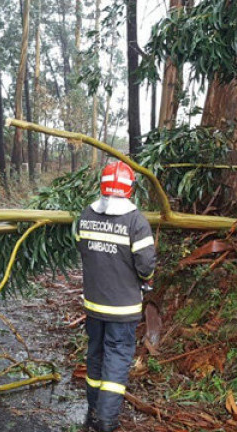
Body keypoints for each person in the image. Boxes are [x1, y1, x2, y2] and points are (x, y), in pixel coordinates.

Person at [75, 160, 157, 432]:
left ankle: (92, 412)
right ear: (130, 189)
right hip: (123, 310)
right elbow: (146, 266)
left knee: (95, 355)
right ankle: (106, 421)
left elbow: (83, 250)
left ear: (102, 186)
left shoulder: (86, 215)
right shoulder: (136, 222)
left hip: (94, 305)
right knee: (117, 359)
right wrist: (146, 281)